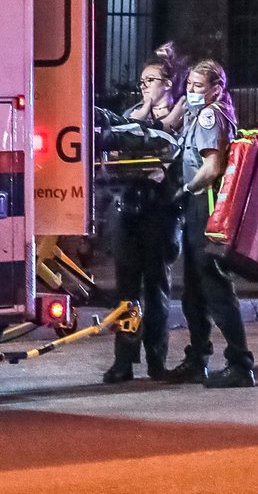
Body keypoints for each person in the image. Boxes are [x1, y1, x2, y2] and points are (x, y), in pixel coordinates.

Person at [163, 58, 256, 388]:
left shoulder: (208, 115)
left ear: (217, 88)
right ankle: (197, 358)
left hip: (206, 205)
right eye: (188, 85)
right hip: (201, 206)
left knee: (214, 287)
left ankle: (240, 364)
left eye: (198, 86)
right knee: (194, 291)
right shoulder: (212, 112)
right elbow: (167, 123)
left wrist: (184, 190)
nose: (190, 91)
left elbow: (212, 167)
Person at [101, 50, 186, 384]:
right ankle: (124, 360)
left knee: (157, 289)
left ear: (167, 84)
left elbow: (172, 155)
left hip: (161, 214)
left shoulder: (182, 116)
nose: (144, 87)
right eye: (141, 82)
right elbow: (123, 145)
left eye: (151, 81)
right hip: (129, 209)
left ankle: (156, 359)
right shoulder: (133, 113)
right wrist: (147, 108)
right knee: (127, 292)